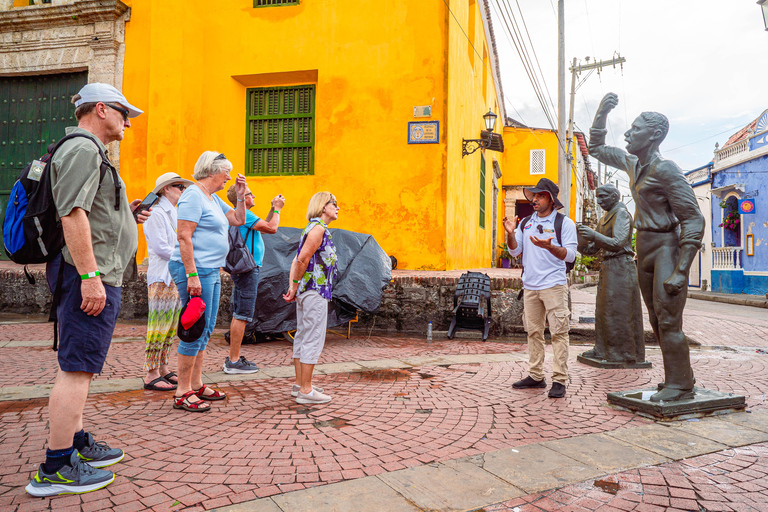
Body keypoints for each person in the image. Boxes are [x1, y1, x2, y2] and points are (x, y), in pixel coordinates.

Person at [26, 83, 149, 497]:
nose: (128, 121)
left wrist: (125, 217)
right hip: (89, 275)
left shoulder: (89, 151)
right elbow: (71, 213)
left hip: (95, 271)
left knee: (82, 363)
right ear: (101, 109)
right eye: (123, 112)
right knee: (77, 367)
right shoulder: (82, 149)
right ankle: (55, 466)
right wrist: (89, 277)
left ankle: (75, 444)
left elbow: (88, 212)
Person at [589, 93, 705, 402]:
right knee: (655, 320)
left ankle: (679, 386)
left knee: (668, 320)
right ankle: (681, 377)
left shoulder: (667, 170)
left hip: (667, 247)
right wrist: (601, 113)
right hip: (646, 248)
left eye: (635, 129)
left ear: (653, 135)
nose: (627, 133)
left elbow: (693, 219)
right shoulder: (631, 163)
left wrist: (682, 269)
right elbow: (597, 148)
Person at [169, 152, 247, 412]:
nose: (228, 176)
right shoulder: (193, 195)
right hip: (194, 269)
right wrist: (191, 275)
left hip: (211, 269)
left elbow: (238, 220)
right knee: (194, 327)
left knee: (206, 327)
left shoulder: (211, 198)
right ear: (212, 171)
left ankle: (196, 383)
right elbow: (184, 236)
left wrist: (240, 194)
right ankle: (182, 391)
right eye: (226, 171)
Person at [503, 178, 577, 399]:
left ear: (551, 200)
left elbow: (571, 255)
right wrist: (510, 233)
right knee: (533, 332)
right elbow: (515, 252)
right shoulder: (525, 222)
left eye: (540, 195)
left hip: (554, 285)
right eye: (533, 195)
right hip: (531, 286)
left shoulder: (565, 224)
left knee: (559, 333)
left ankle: (559, 380)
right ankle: (536, 376)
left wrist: (551, 248)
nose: (534, 199)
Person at [577, 184, 645, 365]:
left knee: (619, 311)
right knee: (603, 310)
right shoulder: (605, 218)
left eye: (603, 197)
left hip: (621, 266)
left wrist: (593, 235)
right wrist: (579, 242)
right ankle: (601, 349)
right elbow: (594, 248)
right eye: (597, 197)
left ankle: (621, 353)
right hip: (608, 267)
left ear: (614, 196)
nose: (599, 201)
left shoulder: (621, 214)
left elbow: (618, 243)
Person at [283, 192, 339, 404]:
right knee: (313, 337)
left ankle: (300, 384)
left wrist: (293, 287)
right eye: (334, 204)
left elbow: (297, 260)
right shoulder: (318, 229)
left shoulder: (312, 228)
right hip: (315, 290)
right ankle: (306, 390)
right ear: (323, 206)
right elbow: (302, 260)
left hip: (307, 290)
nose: (337, 208)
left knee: (303, 335)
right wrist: (294, 286)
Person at [223, 185, 285, 373]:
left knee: (241, 313)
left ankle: (233, 359)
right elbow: (272, 228)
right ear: (242, 197)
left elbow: (264, 227)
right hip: (248, 269)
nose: (254, 195)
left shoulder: (244, 216)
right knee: (242, 314)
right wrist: (278, 209)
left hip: (247, 268)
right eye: (250, 194)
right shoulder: (243, 215)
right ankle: (233, 361)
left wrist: (272, 208)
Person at [142, 172, 193, 391]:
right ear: (166, 189)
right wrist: (186, 255)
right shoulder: (156, 213)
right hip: (162, 276)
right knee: (158, 325)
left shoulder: (174, 212)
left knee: (171, 325)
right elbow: (161, 247)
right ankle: (150, 372)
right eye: (179, 186)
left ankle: (162, 367)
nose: (182, 190)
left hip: (174, 275)